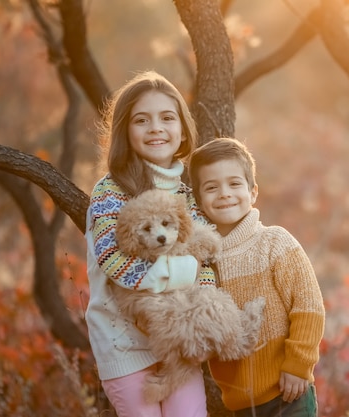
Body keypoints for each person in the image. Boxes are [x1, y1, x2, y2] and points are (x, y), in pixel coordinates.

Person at [84, 70, 212, 417]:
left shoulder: (188, 193)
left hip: (179, 343)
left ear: (183, 129)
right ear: (125, 131)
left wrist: (198, 320)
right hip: (124, 346)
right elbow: (115, 262)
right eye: (142, 120)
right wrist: (185, 269)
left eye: (167, 118)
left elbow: (208, 261)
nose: (156, 128)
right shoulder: (110, 192)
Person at [188, 137, 326, 417]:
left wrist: (298, 366)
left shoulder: (275, 242)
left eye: (234, 184)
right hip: (238, 404)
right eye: (212, 187)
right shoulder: (200, 261)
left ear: (253, 192)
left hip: (289, 393)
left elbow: (309, 307)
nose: (224, 193)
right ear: (199, 201)